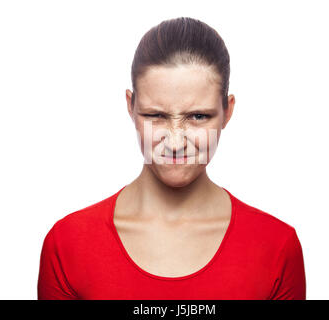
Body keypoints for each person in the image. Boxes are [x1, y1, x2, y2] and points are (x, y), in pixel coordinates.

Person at [37, 17, 306, 300]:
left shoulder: (276, 246)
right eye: (156, 116)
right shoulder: (69, 244)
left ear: (227, 111)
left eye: (198, 116)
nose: (176, 142)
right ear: (131, 107)